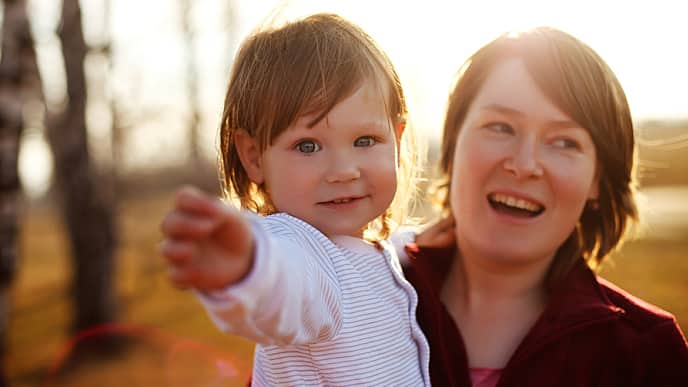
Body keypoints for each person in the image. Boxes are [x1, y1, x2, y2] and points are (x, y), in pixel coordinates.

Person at [402, 27, 688, 386]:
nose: (524, 165)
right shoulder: (352, 306)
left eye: (564, 142)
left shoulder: (646, 353)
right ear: (453, 142)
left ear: (598, 179)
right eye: (501, 127)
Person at [159, 13, 431, 386]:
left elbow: (406, 248)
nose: (343, 170)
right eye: (308, 146)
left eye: (365, 141)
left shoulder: (377, 251)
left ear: (397, 140)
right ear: (253, 156)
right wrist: (248, 263)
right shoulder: (302, 251)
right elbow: (285, 284)